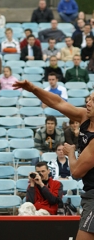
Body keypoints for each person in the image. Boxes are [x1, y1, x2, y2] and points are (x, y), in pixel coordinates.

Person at [13, 72, 94, 240]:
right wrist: (33, 88)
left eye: (93, 100)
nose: (88, 102)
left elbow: (77, 172)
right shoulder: (85, 117)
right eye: (89, 98)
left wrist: (71, 153)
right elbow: (57, 102)